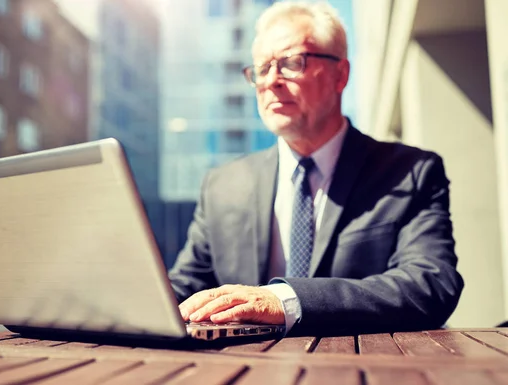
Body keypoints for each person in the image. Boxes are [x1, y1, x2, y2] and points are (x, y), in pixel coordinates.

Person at [168, 1, 464, 336]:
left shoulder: (411, 173)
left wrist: (285, 301)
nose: (272, 81)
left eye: (292, 62)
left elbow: (430, 283)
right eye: (261, 69)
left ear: (341, 74)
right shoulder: (223, 185)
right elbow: (186, 285)